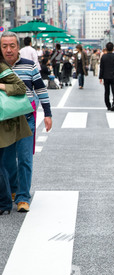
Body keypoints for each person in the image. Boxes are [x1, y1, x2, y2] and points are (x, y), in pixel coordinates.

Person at [1, 31, 52, 213]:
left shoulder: (29, 66)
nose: (8, 50)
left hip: (26, 119)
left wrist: (47, 113)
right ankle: (14, 190)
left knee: (24, 159)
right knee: (7, 162)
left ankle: (23, 196)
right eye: (4, 46)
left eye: (12, 46)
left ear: (18, 47)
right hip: (4, 122)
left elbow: (41, 90)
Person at [0, 51, 32, 215]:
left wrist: (1, 85)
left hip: (3, 121)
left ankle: (5, 202)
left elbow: (20, 87)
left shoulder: (1, 67)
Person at [99, 42, 114, 112]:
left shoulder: (103, 57)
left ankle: (108, 105)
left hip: (106, 76)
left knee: (107, 91)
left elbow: (101, 68)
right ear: (113, 48)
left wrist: (100, 77)